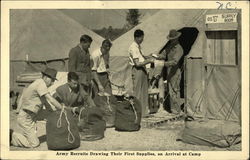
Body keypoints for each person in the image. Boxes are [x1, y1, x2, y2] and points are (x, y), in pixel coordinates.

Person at [10, 68, 63, 148]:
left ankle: (60, 132)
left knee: (53, 113)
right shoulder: (40, 83)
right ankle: (11, 136)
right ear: (45, 77)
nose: (52, 83)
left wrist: (54, 112)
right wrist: (62, 108)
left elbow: (45, 102)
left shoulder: (40, 84)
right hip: (26, 118)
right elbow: (50, 99)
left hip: (32, 115)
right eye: (52, 80)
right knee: (34, 144)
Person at [157, 29, 184, 115]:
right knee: (170, 90)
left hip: (175, 72)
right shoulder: (169, 47)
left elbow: (174, 62)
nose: (171, 40)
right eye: (170, 39)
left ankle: (177, 110)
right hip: (169, 72)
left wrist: (163, 63)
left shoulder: (179, 49)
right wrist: (156, 56)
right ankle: (172, 109)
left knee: (175, 90)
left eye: (173, 39)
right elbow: (163, 55)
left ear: (176, 38)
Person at [128, 29, 154, 117]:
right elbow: (137, 63)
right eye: (141, 38)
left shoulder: (138, 46)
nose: (142, 39)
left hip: (143, 70)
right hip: (137, 70)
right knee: (138, 92)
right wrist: (149, 61)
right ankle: (137, 113)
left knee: (144, 92)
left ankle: (143, 112)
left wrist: (150, 56)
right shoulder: (133, 47)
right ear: (137, 37)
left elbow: (142, 57)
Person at [91, 39, 115, 127]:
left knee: (109, 96)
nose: (107, 51)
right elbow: (93, 71)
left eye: (108, 50)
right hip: (96, 76)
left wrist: (108, 71)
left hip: (105, 75)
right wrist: (99, 85)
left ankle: (109, 119)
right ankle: (98, 119)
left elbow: (107, 64)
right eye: (106, 49)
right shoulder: (95, 55)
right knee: (98, 99)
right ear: (103, 47)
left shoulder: (107, 53)